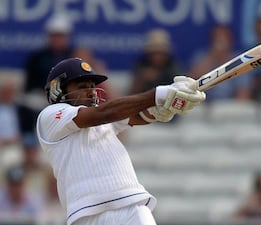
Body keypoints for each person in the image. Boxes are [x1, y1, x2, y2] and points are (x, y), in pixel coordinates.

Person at [35, 57, 206, 225]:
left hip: (129, 204)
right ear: (58, 90)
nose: (92, 91)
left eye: (92, 87)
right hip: (86, 214)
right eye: (82, 87)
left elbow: (137, 116)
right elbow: (105, 113)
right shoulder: (50, 116)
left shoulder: (102, 117)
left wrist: (163, 108)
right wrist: (159, 94)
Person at [189, 24, 252, 101]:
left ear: (230, 40)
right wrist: (213, 56)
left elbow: (243, 92)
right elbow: (191, 84)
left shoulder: (239, 60)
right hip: (203, 104)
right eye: (217, 37)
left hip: (230, 107)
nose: (220, 41)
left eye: (223, 38)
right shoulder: (201, 57)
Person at [24, 14, 74, 96]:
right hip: (41, 96)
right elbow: (29, 84)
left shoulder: (74, 56)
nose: (57, 39)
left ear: (68, 37)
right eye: (54, 36)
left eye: (61, 36)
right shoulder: (37, 58)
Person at [130, 29, 184, 95]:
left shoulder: (175, 69)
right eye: (153, 53)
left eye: (160, 53)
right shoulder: (141, 66)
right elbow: (132, 95)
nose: (157, 57)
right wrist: (141, 81)